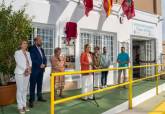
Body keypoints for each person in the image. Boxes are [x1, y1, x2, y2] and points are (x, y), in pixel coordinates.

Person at [14, 40, 32, 114]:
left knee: (25, 89)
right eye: (23, 43)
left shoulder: (28, 53)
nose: (25, 44)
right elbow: (18, 62)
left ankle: (24, 105)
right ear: (20, 45)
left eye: (26, 43)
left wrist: (29, 69)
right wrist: (25, 69)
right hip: (20, 73)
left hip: (27, 73)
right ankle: (20, 107)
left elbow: (30, 62)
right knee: (20, 90)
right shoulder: (17, 52)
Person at [29, 36, 47, 108]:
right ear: (35, 41)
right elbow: (32, 59)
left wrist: (45, 64)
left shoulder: (42, 49)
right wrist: (40, 64)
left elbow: (44, 58)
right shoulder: (32, 48)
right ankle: (31, 100)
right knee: (32, 85)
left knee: (40, 84)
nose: (41, 41)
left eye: (41, 40)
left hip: (41, 70)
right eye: (40, 40)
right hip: (34, 70)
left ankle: (39, 97)